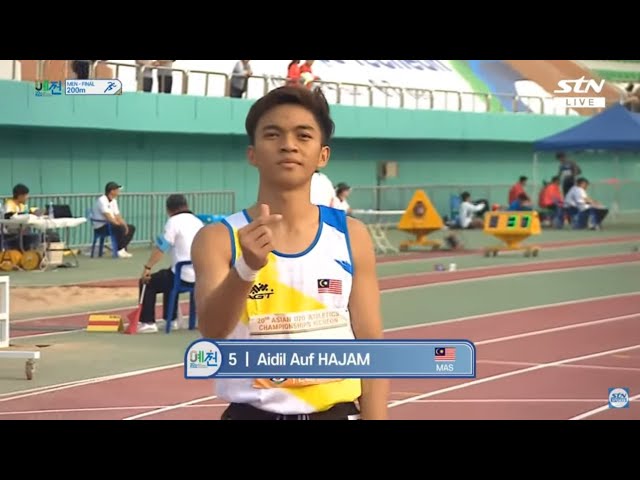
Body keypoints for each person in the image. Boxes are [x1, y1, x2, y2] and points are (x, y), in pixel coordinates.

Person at [191, 86, 389, 420]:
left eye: (303, 135)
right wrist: (246, 269)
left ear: (322, 155)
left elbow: (370, 343)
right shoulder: (218, 239)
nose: (288, 145)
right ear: (252, 153)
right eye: (273, 134)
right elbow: (212, 330)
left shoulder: (351, 235)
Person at [136, 194, 204, 333]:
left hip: (182, 275)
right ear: (186, 205)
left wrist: (148, 267)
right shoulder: (198, 222)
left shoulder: (173, 222)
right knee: (168, 275)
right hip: (200, 275)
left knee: (147, 282)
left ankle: (148, 322)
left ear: (169, 209)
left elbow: (162, 248)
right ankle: (171, 320)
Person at [91, 182, 136, 258]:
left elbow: (117, 216)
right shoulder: (102, 200)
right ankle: (119, 249)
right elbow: (108, 217)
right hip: (101, 227)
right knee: (120, 228)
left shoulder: (114, 201)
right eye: (117, 190)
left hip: (110, 225)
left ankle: (120, 248)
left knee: (131, 228)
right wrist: (120, 225)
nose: (119, 191)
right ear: (112, 191)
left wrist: (125, 225)